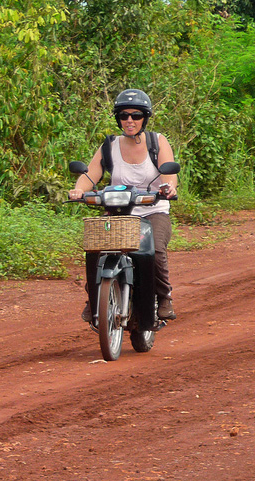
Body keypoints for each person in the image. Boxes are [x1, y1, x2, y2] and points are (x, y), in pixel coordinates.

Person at [68, 88, 178, 321]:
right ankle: (95, 297)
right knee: (95, 248)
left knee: (155, 250)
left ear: (144, 118)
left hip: (153, 210)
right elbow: (90, 175)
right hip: (118, 212)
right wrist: (79, 189)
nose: (130, 120)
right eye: (124, 115)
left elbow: (169, 171)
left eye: (136, 115)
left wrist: (168, 187)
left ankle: (164, 296)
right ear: (118, 119)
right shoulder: (109, 145)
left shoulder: (157, 142)